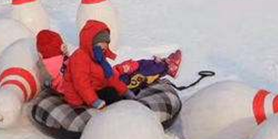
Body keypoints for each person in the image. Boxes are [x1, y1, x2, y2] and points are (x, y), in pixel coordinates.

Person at [41, 23, 182, 109]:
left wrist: (124, 90)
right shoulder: (78, 59)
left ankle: (161, 64)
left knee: (129, 68)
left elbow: (109, 76)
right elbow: (81, 84)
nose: (105, 47)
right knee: (132, 76)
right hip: (84, 96)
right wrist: (94, 101)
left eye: (106, 44)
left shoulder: (95, 55)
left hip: (98, 83)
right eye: (102, 44)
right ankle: (165, 67)